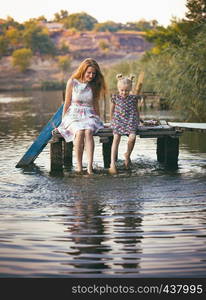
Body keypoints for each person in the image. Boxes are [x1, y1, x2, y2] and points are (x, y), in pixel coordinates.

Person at [55, 58, 106, 174]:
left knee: (88, 131)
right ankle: (78, 166)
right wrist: (63, 120)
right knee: (79, 131)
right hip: (74, 114)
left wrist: (99, 119)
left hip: (89, 114)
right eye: (89, 72)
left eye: (94, 73)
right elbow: (67, 102)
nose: (91, 75)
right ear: (83, 70)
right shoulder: (72, 82)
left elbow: (95, 104)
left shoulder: (94, 84)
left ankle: (89, 166)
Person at [109, 74, 140, 174]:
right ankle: (112, 164)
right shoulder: (115, 97)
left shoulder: (133, 98)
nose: (124, 92)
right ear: (118, 89)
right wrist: (111, 120)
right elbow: (112, 110)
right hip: (118, 120)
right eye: (122, 90)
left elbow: (136, 109)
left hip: (130, 121)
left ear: (130, 89)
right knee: (116, 138)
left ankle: (127, 155)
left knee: (132, 137)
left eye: (126, 90)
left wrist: (139, 119)